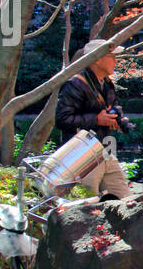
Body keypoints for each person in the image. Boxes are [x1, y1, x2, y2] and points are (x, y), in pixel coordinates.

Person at [54, 40, 133, 200]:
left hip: (105, 150)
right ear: (97, 59)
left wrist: (117, 118)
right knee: (87, 204)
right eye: (112, 56)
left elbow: (114, 105)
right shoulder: (75, 84)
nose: (116, 61)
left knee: (125, 200)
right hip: (83, 156)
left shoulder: (107, 83)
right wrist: (97, 119)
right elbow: (61, 119)